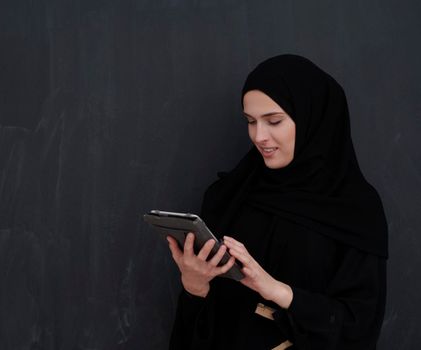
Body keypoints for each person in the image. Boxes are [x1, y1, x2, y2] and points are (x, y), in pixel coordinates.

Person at [166, 54, 388, 350]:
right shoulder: (228, 195)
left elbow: (359, 324)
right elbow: (199, 326)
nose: (259, 136)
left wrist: (276, 290)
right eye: (250, 121)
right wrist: (195, 285)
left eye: (274, 121)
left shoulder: (355, 208)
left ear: (312, 117)